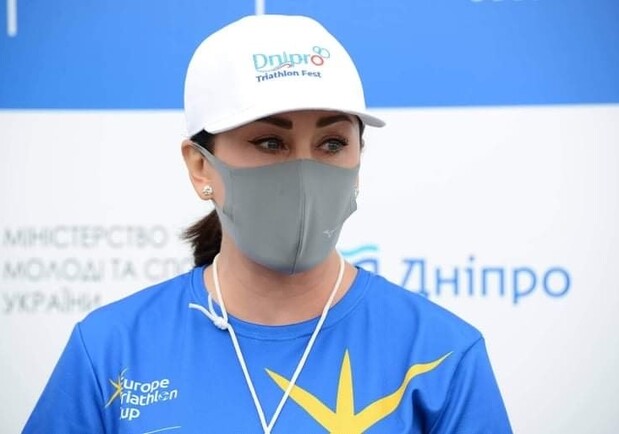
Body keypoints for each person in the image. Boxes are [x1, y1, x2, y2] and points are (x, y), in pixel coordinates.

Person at [23, 14, 512, 434]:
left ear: (360, 159)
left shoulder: (441, 354)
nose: (304, 172)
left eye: (332, 144)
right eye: (270, 143)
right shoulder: (111, 349)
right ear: (200, 167)